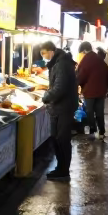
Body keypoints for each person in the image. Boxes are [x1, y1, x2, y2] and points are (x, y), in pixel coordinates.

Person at [40, 41, 78, 181]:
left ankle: (63, 170)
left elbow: (60, 88)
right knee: (56, 138)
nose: (43, 56)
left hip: (63, 107)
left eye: (44, 53)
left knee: (62, 139)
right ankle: (61, 168)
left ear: (51, 51)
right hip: (59, 107)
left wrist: (46, 97)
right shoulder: (59, 62)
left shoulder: (61, 64)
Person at [77, 41, 108, 138]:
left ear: (84, 51)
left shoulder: (86, 60)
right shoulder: (100, 60)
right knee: (100, 111)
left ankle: (93, 129)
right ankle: (101, 132)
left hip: (90, 92)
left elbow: (81, 76)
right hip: (101, 92)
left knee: (90, 111)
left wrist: (78, 83)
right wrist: (106, 86)